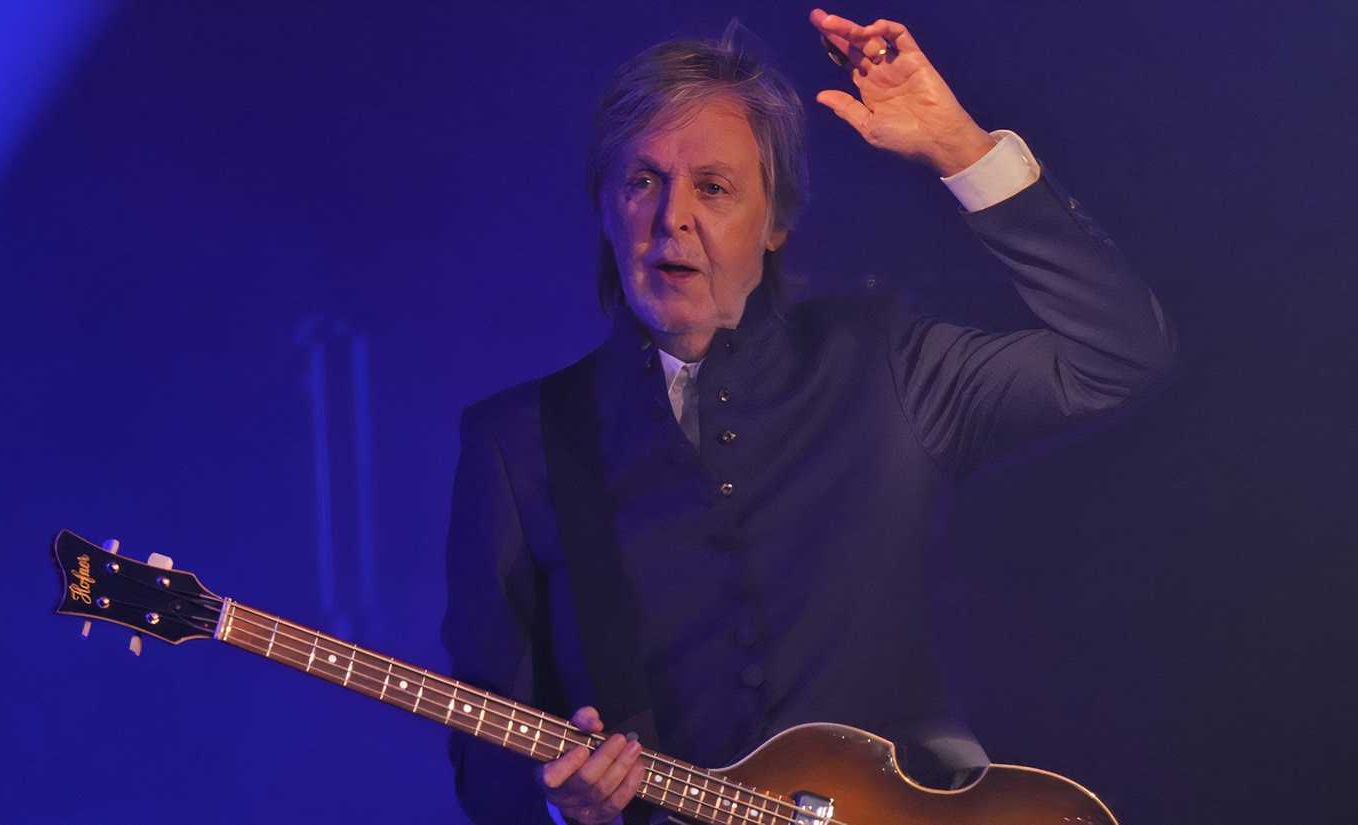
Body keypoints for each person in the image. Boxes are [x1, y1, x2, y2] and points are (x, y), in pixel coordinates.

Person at [441, 9, 1176, 825]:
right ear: (606, 208)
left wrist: (958, 147)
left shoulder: (888, 362)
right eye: (642, 181)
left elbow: (1119, 355)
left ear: (777, 222)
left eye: (713, 187)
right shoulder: (518, 442)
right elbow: (484, 746)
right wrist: (564, 807)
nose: (671, 217)